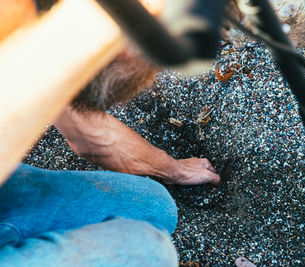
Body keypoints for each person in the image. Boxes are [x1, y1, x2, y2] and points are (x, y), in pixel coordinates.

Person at [0, 0, 220, 266]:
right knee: (147, 254)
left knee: (152, 207)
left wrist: (173, 169)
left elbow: (91, 134)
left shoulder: (26, 33)